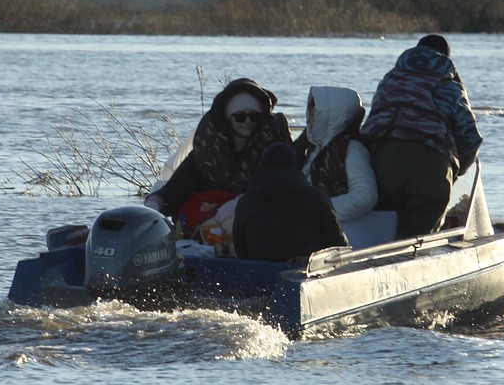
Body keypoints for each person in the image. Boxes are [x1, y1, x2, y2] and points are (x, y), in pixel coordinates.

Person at [361, 34, 482, 238]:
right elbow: (468, 136)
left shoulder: (390, 80)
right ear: (445, 57)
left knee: (379, 236)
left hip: (378, 162)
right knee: (415, 243)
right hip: (428, 164)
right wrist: (459, 170)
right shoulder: (449, 85)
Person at [144, 77, 292, 233]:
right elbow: (182, 183)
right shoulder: (207, 149)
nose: (247, 121)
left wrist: (241, 202)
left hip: (260, 221)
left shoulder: (276, 147)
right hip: (212, 223)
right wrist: (157, 201)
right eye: (240, 117)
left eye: (254, 116)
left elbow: (284, 185)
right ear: (228, 117)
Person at [229, 143, 348, 263]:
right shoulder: (316, 198)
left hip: (261, 273)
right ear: (294, 166)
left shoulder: (246, 202)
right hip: (305, 273)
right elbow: (337, 245)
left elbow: (240, 248)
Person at [293, 85, 378, 222]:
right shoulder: (315, 147)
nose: (310, 115)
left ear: (329, 115)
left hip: (339, 228)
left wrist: (318, 210)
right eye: (310, 109)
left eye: (315, 110)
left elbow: (365, 195)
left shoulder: (352, 149)